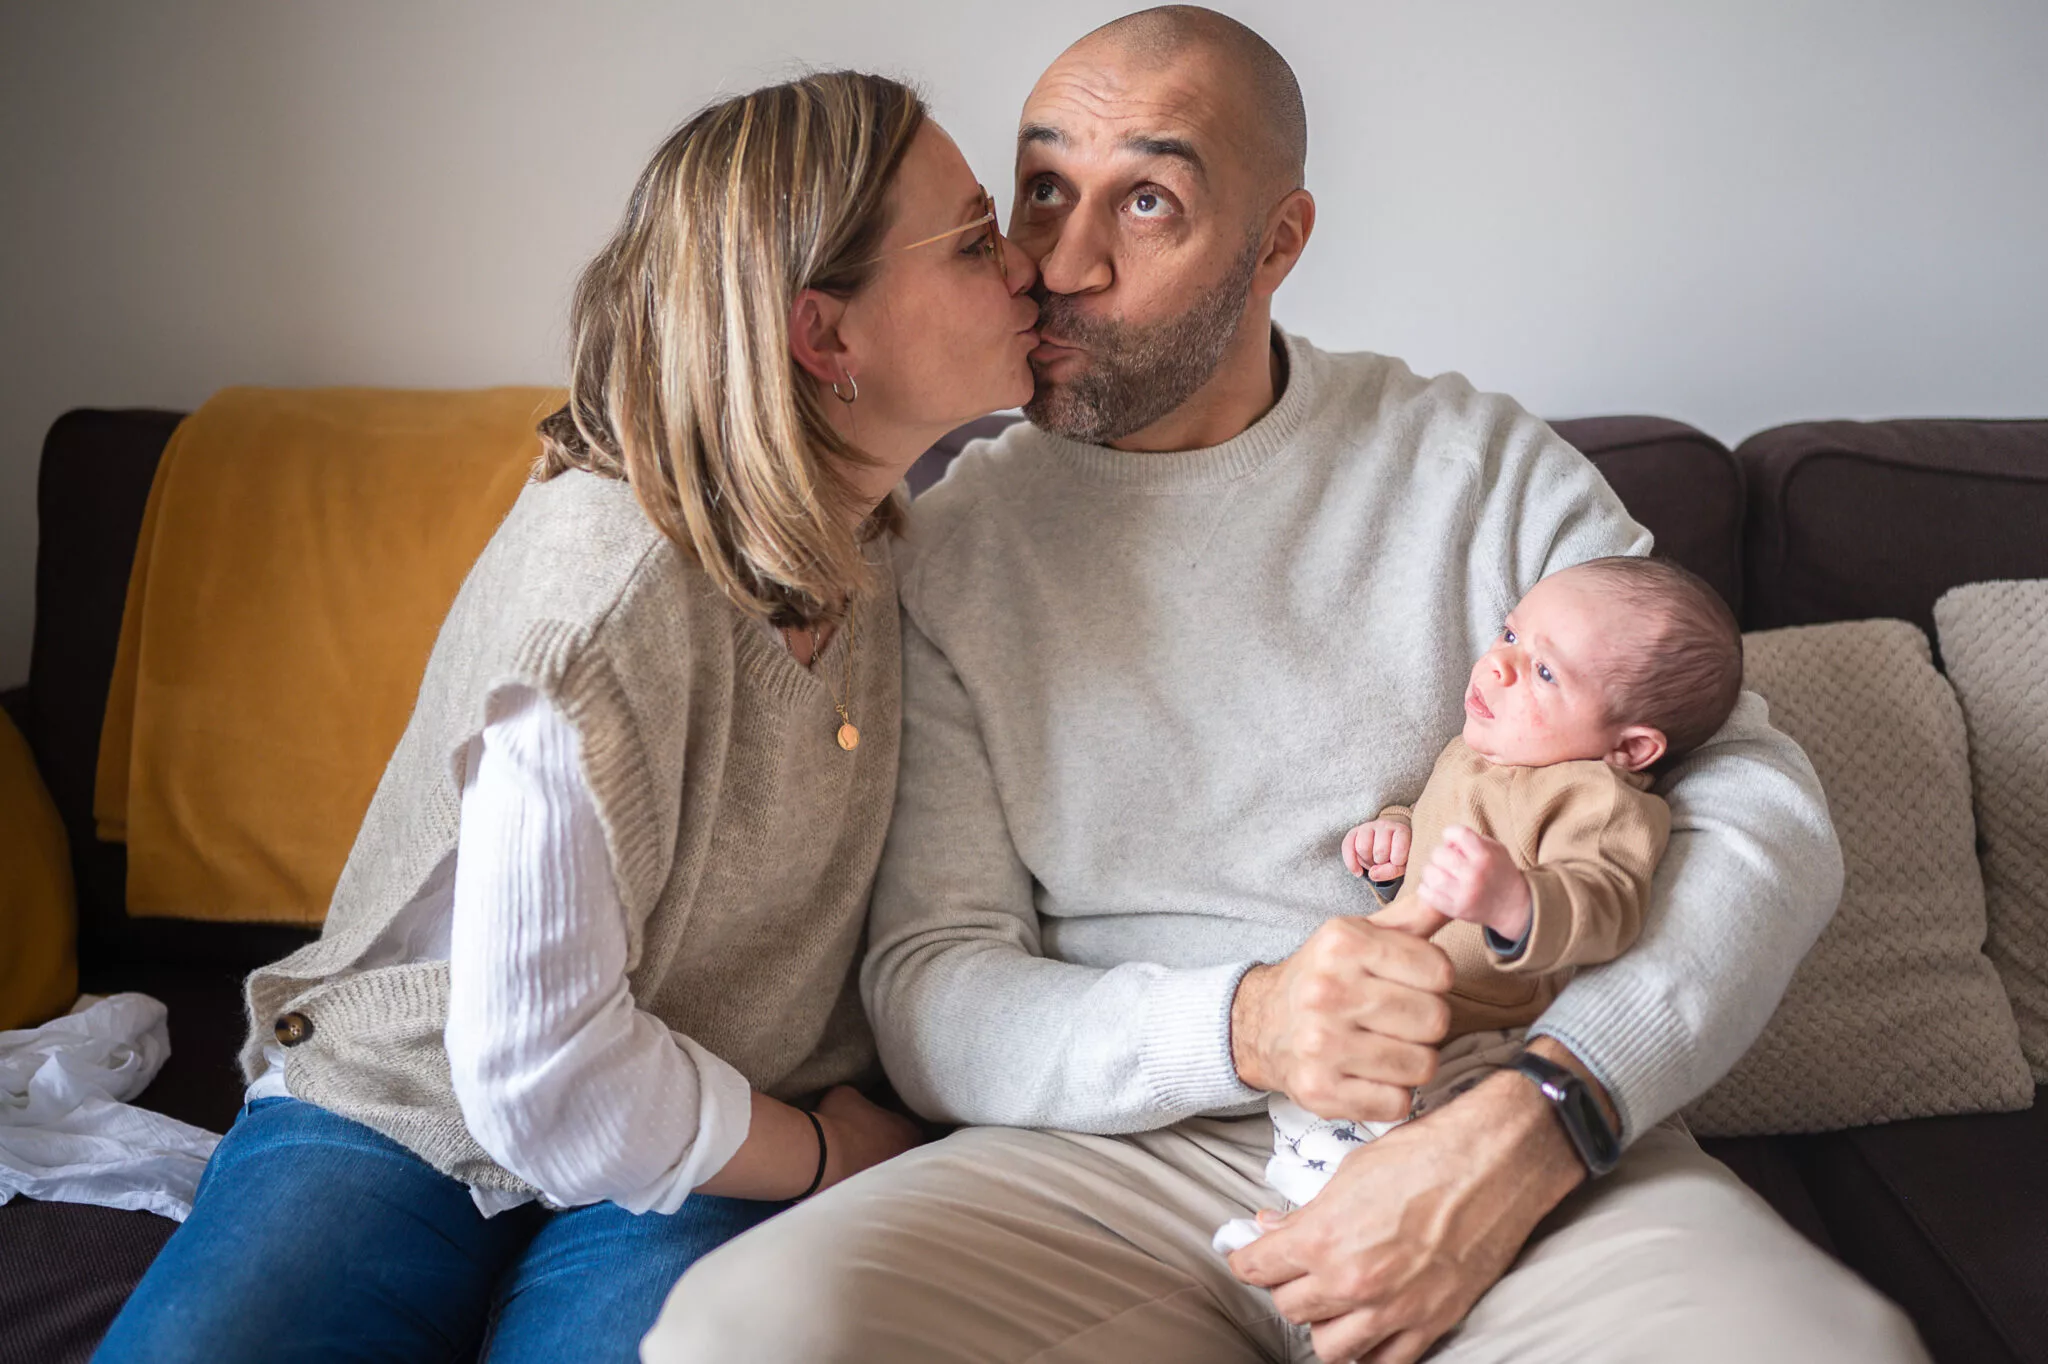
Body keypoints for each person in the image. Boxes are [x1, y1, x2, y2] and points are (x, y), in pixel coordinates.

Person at [645, 10, 1928, 1364]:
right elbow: (930, 984)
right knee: (745, 1337)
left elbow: (1756, 811)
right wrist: (1245, 1025)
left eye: (1146, 200)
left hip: (1499, 1121)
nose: (1063, 261)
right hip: (1114, 1173)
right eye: (1041, 189)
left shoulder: (1474, 465)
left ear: (1277, 245)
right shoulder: (950, 547)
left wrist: (1556, 1109)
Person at [93, 70, 1040, 1364]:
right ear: (827, 339)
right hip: (414, 1100)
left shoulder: (888, 538)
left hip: (720, 1112)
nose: (1030, 266)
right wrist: (826, 1149)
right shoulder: (597, 619)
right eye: (978, 240)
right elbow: (546, 1084)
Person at [1214, 555, 1743, 1255]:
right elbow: (1441, 845)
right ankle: (1310, 1220)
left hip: (1487, 1041)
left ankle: (1315, 1244)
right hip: (1398, 1022)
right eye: (1510, 635)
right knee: (1329, 1123)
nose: (1497, 665)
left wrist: (1516, 900)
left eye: (1545, 672)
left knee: (1419, 1156)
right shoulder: (1475, 751)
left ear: (1631, 746)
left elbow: (1607, 902)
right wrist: (1397, 840)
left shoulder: (1599, 800)